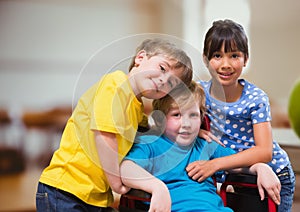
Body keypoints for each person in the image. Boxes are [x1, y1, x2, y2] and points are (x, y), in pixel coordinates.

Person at [35, 38, 194, 211]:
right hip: (66, 189)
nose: (163, 80)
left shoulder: (136, 106)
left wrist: (189, 129)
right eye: (162, 68)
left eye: (171, 83)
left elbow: (153, 132)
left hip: (94, 196)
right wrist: (116, 182)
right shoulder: (115, 84)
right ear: (140, 58)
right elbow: (105, 136)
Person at [120, 81, 281, 212]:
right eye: (177, 115)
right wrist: (156, 187)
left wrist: (260, 168)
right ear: (161, 119)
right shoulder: (152, 144)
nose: (187, 124)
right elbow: (125, 168)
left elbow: (238, 165)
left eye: (193, 115)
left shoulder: (206, 145)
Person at [188, 19, 295, 212]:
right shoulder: (199, 93)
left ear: (246, 59)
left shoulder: (256, 99)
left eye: (234, 56)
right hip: (236, 174)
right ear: (205, 59)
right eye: (217, 56)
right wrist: (198, 131)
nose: (225, 64)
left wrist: (216, 164)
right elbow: (174, 116)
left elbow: (264, 151)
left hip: (272, 172)